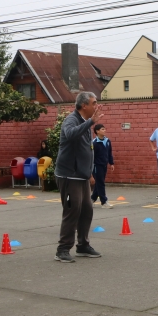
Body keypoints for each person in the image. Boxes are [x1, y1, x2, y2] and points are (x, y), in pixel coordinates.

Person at [54, 91, 103, 262]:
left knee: (87, 211)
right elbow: (70, 134)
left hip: (82, 176)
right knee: (72, 210)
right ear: (84, 105)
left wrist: (89, 173)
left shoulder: (85, 124)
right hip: (69, 175)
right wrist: (91, 122)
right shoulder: (72, 120)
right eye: (94, 103)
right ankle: (62, 249)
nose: (96, 106)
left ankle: (82, 246)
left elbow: (86, 149)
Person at [91, 124, 115, 208]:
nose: (104, 130)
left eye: (104, 129)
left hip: (104, 165)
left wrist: (111, 163)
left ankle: (92, 199)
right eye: (102, 129)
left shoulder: (107, 141)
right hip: (97, 166)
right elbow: (92, 156)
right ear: (97, 131)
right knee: (100, 183)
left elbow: (109, 153)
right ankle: (104, 202)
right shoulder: (94, 143)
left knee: (99, 183)